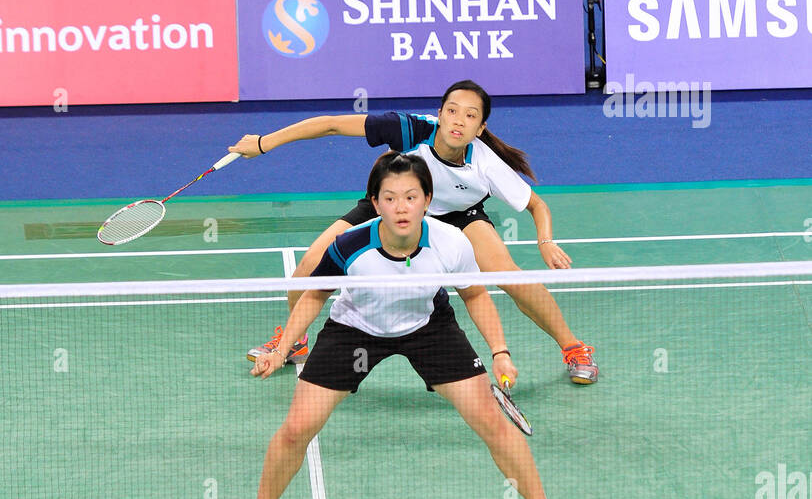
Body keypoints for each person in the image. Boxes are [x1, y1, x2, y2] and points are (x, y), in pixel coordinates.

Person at [228, 152, 572, 499]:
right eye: (390, 198)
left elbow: (476, 294)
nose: (401, 207)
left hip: (427, 327)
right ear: (375, 203)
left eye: (411, 196)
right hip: (356, 330)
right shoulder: (349, 245)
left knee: (489, 420)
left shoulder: (451, 242)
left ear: (427, 199)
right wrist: (282, 350)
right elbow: (316, 293)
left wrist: (501, 351)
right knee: (296, 428)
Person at [230, 79, 598, 384]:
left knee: (509, 276)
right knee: (311, 264)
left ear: (480, 128)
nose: (458, 121)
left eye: (470, 116)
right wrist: (264, 143)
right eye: (452, 111)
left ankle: (573, 347)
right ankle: (295, 344)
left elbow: (536, 205)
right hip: (395, 206)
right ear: (439, 114)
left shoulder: (485, 162)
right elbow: (330, 124)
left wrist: (545, 241)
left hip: (459, 216)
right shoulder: (408, 129)